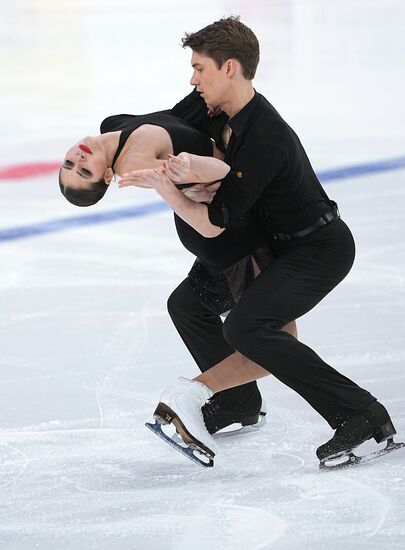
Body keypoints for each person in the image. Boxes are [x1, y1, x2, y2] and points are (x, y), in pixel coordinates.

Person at [119, 16, 399, 467]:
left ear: (229, 68)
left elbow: (219, 218)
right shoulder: (206, 106)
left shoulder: (264, 136)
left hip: (316, 248)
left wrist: (166, 187)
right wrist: (112, 144)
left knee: (247, 327)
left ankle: (363, 416)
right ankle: (238, 404)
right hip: (266, 245)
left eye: (200, 69)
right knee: (188, 306)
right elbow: (162, 122)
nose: (193, 79)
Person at [59, 107, 298, 435]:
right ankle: (237, 400)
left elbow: (182, 116)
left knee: (194, 309)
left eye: (70, 165)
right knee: (204, 313)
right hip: (234, 241)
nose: (78, 160)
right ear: (106, 177)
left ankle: (238, 401)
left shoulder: (112, 126)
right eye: (84, 171)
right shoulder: (133, 163)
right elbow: (218, 176)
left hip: (234, 238)